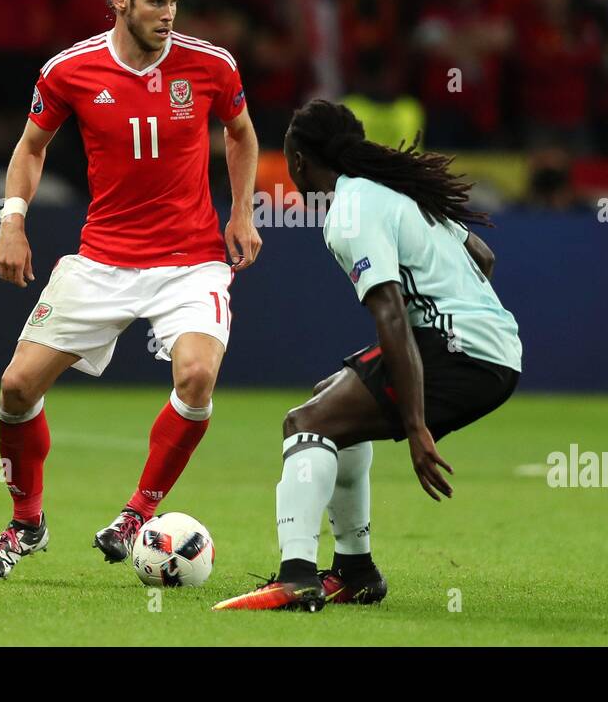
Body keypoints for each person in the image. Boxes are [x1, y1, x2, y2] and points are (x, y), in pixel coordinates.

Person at [0, 0, 262, 579]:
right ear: (120, 2)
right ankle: (26, 523)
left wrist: (241, 211)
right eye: (156, 1)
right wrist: (11, 222)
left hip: (190, 261)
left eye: (175, 2)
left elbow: (240, 133)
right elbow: (30, 147)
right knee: (16, 389)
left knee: (195, 376)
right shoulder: (70, 70)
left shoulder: (210, 65)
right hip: (102, 259)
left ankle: (137, 513)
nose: (168, 15)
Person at [213, 99, 521, 612]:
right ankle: (356, 571)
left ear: (298, 160)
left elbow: (393, 315)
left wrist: (416, 424)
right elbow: (483, 258)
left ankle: (296, 577)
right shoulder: (395, 191)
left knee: (303, 424)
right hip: (489, 344)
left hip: (465, 352)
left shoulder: (350, 210)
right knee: (327, 402)